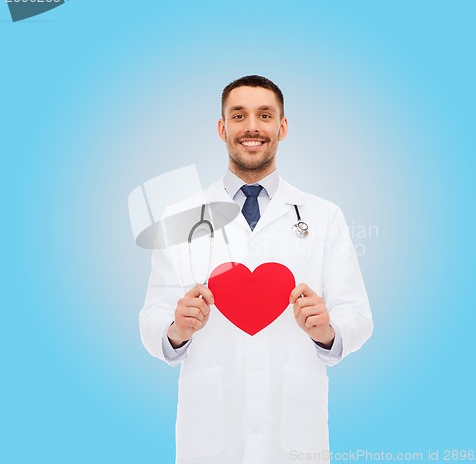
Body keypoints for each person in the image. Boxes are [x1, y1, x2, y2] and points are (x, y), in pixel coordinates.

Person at [140, 75, 373, 463]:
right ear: (222, 128)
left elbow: (358, 314)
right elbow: (152, 316)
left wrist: (327, 331)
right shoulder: (180, 217)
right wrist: (176, 330)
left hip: (294, 433)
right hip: (210, 436)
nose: (252, 126)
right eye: (239, 115)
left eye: (264, 115)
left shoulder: (323, 215)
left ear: (282, 127)